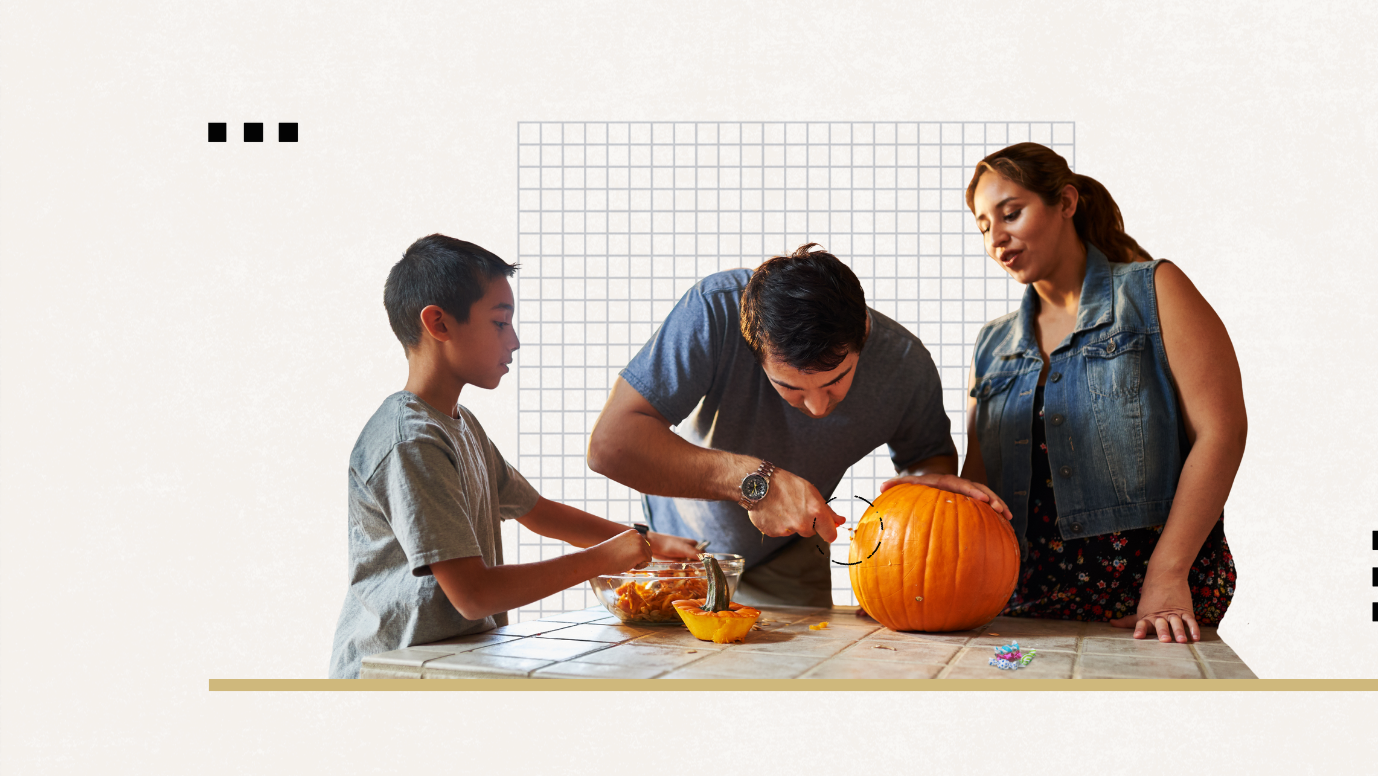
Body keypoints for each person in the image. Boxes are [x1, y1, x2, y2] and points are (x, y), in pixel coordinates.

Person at [901, 143, 1246, 644]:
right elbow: (982, 484)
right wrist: (919, 520)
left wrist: (1168, 575)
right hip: (1021, 604)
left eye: (1011, 214)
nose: (996, 237)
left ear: (1065, 202)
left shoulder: (1155, 292)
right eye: (982, 226)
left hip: (1151, 604)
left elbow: (1222, 432)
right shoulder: (992, 344)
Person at [329, 234, 700, 678]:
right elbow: (474, 595)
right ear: (439, 324)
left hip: (444, 666)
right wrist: (604, 559)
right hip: (389, 675)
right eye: (500, 323)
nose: (515, 341)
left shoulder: (460, 426)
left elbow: (539, 512)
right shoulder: (410, 442)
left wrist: (651, 544)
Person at [587, 243, 1010, 608]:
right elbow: (610, 446)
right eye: (789, 387)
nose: (817, 406)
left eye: (836, 380)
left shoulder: (906, 364)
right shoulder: (714, 310)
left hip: (788, 555)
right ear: (752, 346)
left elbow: (926, 459)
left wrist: (901, 565)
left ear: (862, 331)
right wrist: (753, 483)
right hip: (679, 547)